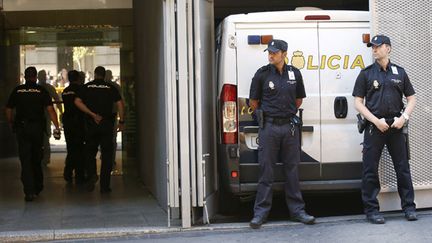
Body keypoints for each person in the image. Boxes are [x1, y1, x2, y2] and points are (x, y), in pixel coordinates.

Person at [248, 39, 315, 229]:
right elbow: (253, 102)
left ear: (284, 54)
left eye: (274, 52)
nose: (271, 55)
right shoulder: (261, 74)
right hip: (269, 127)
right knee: (266, 171)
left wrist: (285, 113)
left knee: (292, 170)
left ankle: (297, 212)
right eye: (269, 52)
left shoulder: (295, 73)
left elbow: (299, 99)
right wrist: (270, 115)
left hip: (289, 128)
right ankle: (260, 214)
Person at [352, 35, 417, 224]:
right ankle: (372, 211)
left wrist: (403, 118)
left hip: (396, 126)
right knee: (370, 169)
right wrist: (375, 120)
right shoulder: (366, 74)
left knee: (403, 168)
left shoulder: (400, 72)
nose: (373, 49)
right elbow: (357, 102)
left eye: (377, 47)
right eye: (372, 47)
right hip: (374, 127)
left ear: (388, 48)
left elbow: (412, 98)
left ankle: (409, 208)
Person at [5, 66, 61, 201]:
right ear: (35, 77)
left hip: (22, 128)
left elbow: (8, 109)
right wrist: (57, 126)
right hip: (37, 128)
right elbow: (50, 110)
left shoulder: (17, 90)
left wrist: (11, 122)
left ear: (25, 77)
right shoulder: (41, 90)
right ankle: (37, 186)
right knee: (36, 158)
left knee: (25, 160)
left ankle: (29, 191)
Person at [74, 66, 125, 193]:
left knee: (89, 152)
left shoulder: (87, 87)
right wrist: (121, 121)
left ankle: (92, 175)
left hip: (92, 124)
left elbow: (77, 102)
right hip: (107, 124)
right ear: (104, 75)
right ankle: (104, 186)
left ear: (95, 74)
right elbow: (120, 104)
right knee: (107, 155)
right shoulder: (111, 88)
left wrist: (92, 114)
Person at [62, 70, 85, 184]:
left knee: (71, 148)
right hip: (79, 122)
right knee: (79, 148)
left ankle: (68, 172)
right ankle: (79, 174)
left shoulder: (65, 91)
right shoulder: (81, 90)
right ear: (78, 78)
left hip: (68, 122)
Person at [37, 69, 63, 166]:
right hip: (46, 115)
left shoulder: (36, 87)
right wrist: (61, 113)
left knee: (40, 137)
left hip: (38, 116)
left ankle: (41, 158)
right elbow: (57, 99)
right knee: (45, 137)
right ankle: (45, 158)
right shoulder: (48, 87)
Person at [104, 70, 122, 168]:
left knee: (109, 138)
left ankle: (109, 158)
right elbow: (121, 103)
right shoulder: (115, 87)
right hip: (111, 115)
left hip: (108, 116)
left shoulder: (114, 87)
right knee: (111, 139)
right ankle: (110, 159)